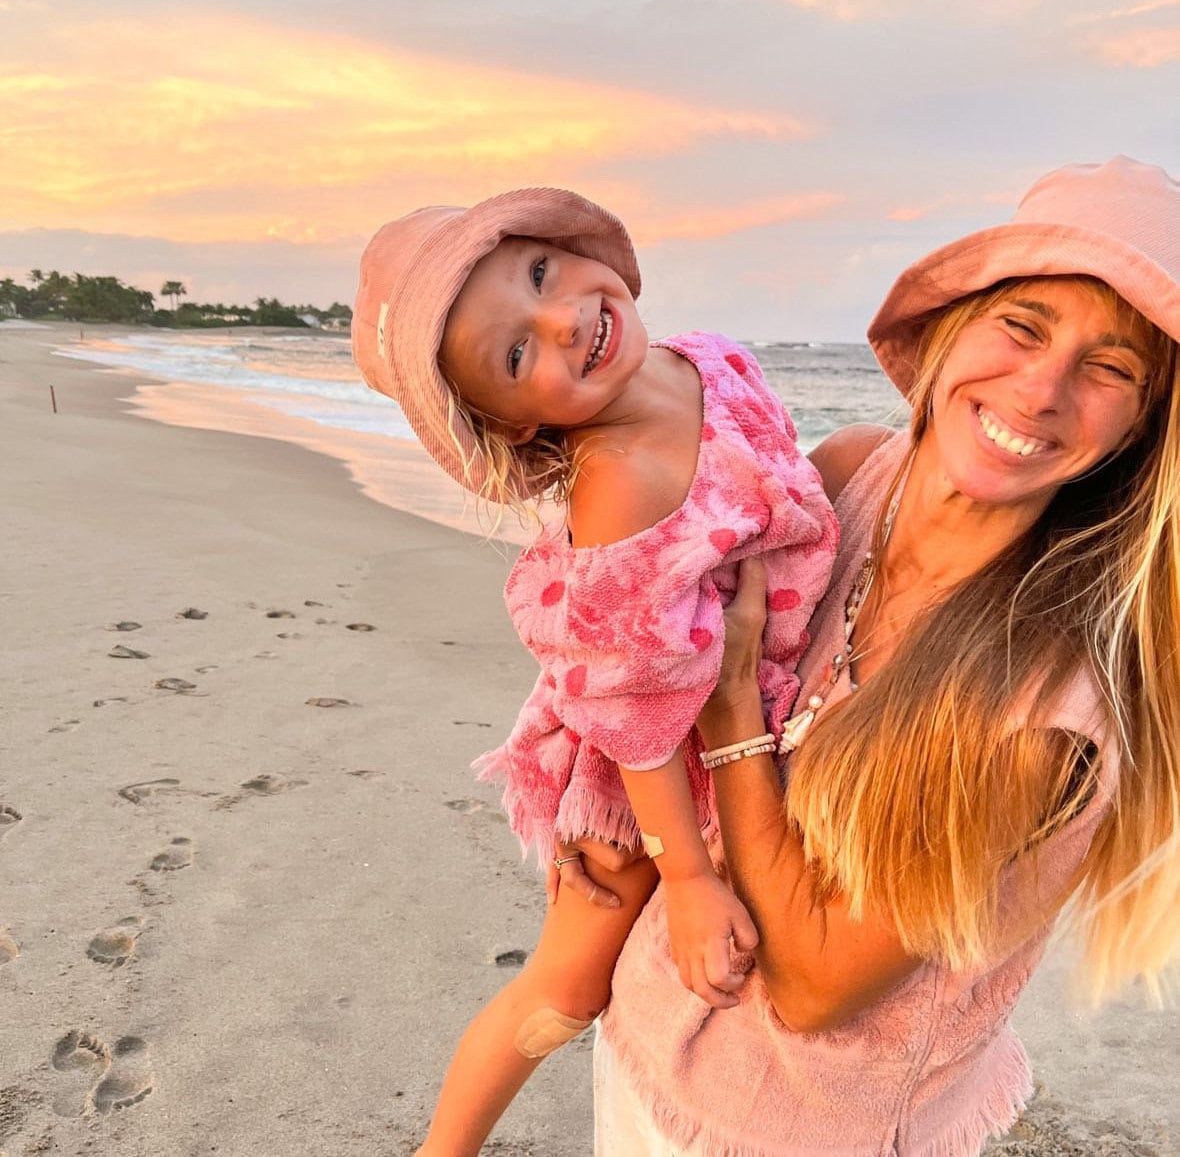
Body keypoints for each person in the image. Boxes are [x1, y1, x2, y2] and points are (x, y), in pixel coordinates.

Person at [590, 155, 1180, 1155]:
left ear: (1140, 430)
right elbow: (647, 645)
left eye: (1110, 367)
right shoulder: (847, 474)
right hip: (648, 1033)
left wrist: (734, 716)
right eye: (1022, 326)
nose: (1039, 391)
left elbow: (818, 981)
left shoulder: (1045, 712)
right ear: (954, 328)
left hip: (799, 1129)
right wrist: (609, 814)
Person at [350, 188, 838, 1155]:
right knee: (567, 985)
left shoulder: (712, 360)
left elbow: (783, 492)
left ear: (564, 244)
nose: (565, 320)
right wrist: (690, 879)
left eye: (540, 276)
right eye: (518, 355)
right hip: (646, 775)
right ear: (520, 426)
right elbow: (640, 717)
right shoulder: (624, 485)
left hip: (750, 705)